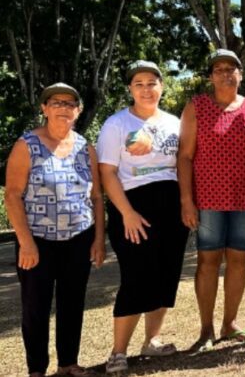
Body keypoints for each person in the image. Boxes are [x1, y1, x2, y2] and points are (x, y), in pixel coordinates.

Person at [4, 83, 105, 377]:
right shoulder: (27, 145)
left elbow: (97, 196)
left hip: (79, 237)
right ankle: (37, 369)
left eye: (70, 103)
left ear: (79, 110)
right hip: (37, 240)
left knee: (72, 303)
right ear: (44, 108)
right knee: (35, 307)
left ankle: (68, 364)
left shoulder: (86, 148)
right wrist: (26, 243)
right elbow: (12, 195)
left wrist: (99, 239)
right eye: (55, 102)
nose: (63, 107)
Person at [98, 60, 189, 373]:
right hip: (133, 206)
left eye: (152, 82)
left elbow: (182, 164)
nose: (146, 89)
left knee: (166, 275)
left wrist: (185, 205)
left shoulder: (174, 122)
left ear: (161, 86)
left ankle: (152, 341)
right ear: (130, 89)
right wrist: (127, 213)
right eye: (139, 83)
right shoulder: (116, 124)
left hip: (171, 206)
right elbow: (107, 172)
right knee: (136, 278)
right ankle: (117, 353)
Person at [177, 49, 245, 351]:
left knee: (240, 261)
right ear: (211, 76)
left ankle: (230, 324)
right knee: (207, 261)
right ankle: (206, 329)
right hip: (208, 200)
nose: (225, 73)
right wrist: (187, 200)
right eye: (218, 69)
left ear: (240, 74)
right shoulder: (196, 107)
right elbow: (185, 156)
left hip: (243, 199)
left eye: (232, 68)